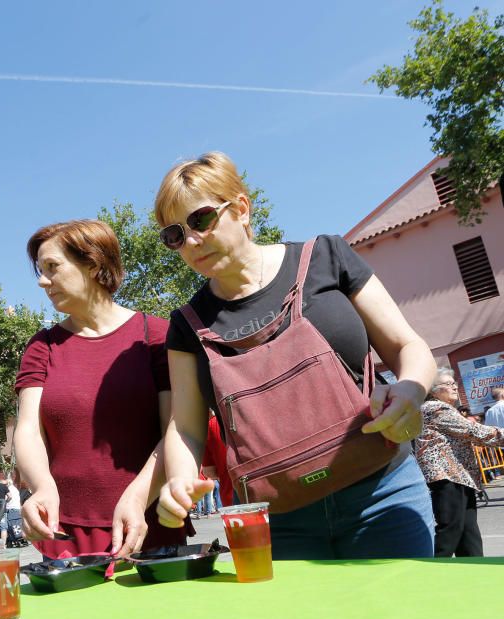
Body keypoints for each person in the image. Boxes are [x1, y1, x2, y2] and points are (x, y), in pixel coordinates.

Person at [152, 152, 436, 560]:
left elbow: (408, 346)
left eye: (200, 219)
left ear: (242, 209)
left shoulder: (327, 258)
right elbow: (186, 426)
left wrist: (410, 390)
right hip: (280, 524)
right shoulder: (186, 326)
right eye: (174, 236)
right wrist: (179, 480)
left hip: (384, 496)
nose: (191, 241)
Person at [15, 220, 190, 560]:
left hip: (148, 524)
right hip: (63, 533)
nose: (42, 280)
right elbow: (28, 431)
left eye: (52, 267)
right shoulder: (43, 346)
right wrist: (41, 487)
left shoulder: (156, 336)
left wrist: (139, 497)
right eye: (40, 269)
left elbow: (177, 429)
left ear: (93, 264)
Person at [415, 369, 504, 557]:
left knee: (469, 533)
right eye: (448, 384)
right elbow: (474, 431)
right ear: (433, 391)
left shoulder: (440, 408)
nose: (454, 386)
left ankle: (475, 570)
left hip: (460, 476)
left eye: (454, 382)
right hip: (447, 475)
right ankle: (431, 573)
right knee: (450, 531)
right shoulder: (436, 408)